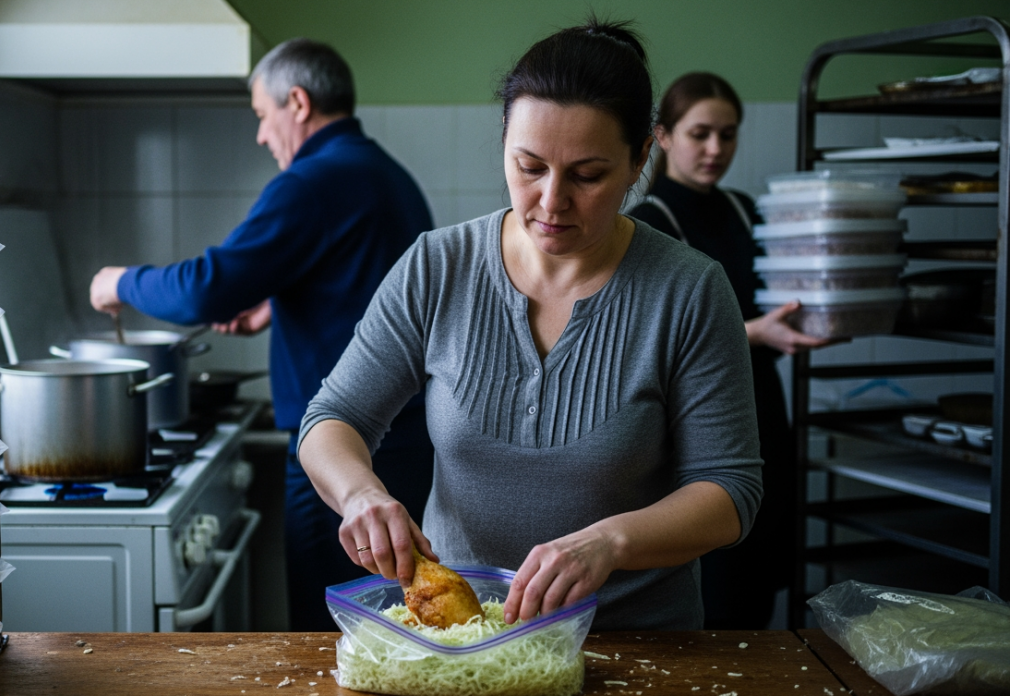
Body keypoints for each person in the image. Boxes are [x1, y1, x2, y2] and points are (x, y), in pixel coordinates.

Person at [295, 20, 764, 631]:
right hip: (461, 641)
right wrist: (360, 493)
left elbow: (730, 491)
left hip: (637, 647)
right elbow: (332, 418)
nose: (550, 201)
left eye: (588, 175)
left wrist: (610, 543)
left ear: (642, 158)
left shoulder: (690, 290)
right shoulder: (439, 266)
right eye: (529, 166)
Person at [88, 38, 436, 632]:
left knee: (329, 631)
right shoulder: (383, 174)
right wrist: (277, 305)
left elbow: (209, 286)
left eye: (261, 114)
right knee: (387, 626)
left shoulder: (312, 181)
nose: (260, 134)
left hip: (343, 455)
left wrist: (122, 281)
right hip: (398, 445)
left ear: (297, 102)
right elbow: (372, 289)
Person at [629, 72, 831, 629]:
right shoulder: (646, 226)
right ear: (662, 136)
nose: (715, 149)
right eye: (700, 134)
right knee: (718, 583)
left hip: (763, 407)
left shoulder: (743, 209)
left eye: (728, 134)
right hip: (694, 422)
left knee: (761, 568)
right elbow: (651, 344)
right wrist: (757, 334)